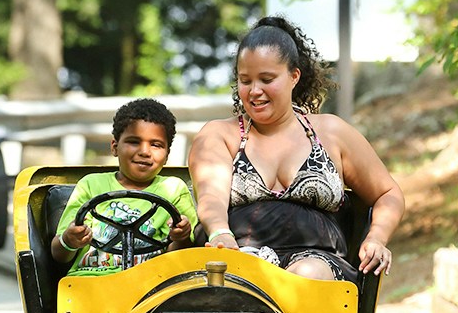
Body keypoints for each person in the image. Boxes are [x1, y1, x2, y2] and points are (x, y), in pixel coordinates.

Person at [188, 15, 402, 283]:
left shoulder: (332, 132)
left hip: (318, 264)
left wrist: (376, 238)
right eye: (245, 80)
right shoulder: (220, 134)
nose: (255, 91)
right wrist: (220, 232)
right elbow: (211, 197)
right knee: (246, 277)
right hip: (239, 258)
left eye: (267, 79)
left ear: (294, 76)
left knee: (307, 275)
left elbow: (388, 192)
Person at [53, 99, 197, 276]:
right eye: (134, 142)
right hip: (90, 282)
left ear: (167, 154)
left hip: (151, 284)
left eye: (156, 145)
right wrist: (70, 239)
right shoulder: (90, 185)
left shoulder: (174, 189)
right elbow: (58, 254)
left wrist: (181, 237)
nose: (144, 151)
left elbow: (184, 258)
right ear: (115, 147)